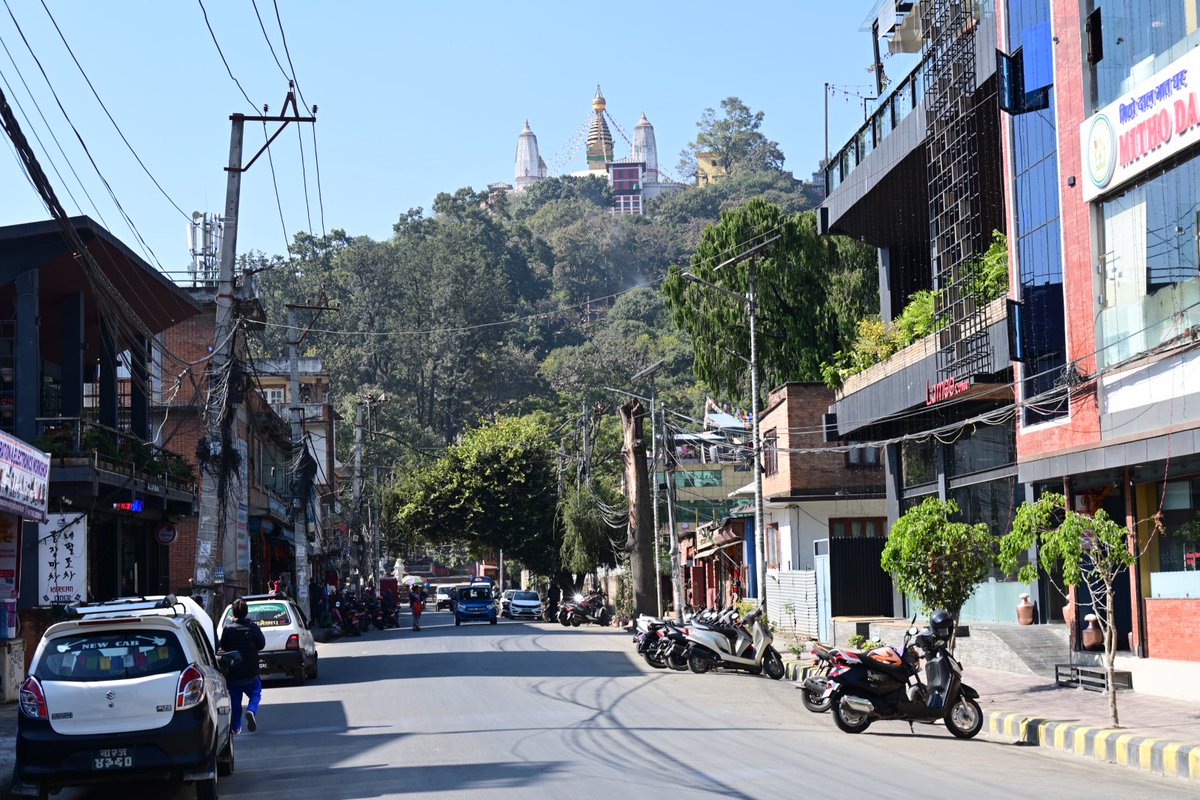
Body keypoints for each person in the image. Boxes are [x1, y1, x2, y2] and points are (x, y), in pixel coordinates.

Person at [219, 598, 266, 734]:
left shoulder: (228, 629)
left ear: (233, 613)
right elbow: (261, 644)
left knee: (235, 700)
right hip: (251, 671)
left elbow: (224, 646)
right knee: (256, 692)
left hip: (233, 671)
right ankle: (251, 710)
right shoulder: (253, 627)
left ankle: (236, 727)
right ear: (246, 613)